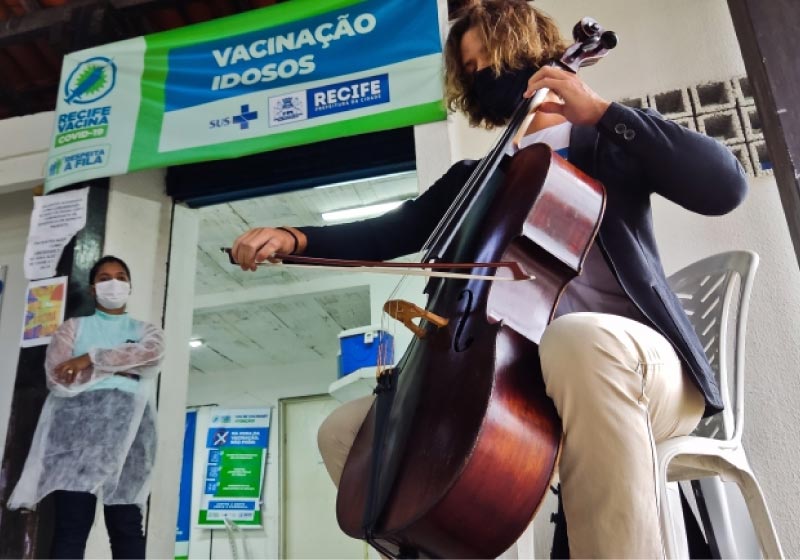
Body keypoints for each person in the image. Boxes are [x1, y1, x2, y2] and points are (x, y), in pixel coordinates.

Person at [230, 1, 747, 557]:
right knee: (347, 434)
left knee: (577, 340)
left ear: (532, 54)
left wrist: (599, 112)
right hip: (530, 390)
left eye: (492, 60)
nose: (483, 78)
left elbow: (724, 187)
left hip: (643, 373)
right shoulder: (473, 180)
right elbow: (385, 233)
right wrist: (295, 238)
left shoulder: (608, 138)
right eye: (472, 71)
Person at [8, 256, 165, 559]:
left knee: (127, 526)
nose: (113, 283)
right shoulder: (72, 328)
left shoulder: (146, 330)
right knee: (71, 527)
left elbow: (151, 357)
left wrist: (87, 360)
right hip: (75, 437)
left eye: (120, 276)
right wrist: (122, 365)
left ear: (129, 286)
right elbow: (58, 377)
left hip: (130, 434)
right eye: (105, 278)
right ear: (93, 289)